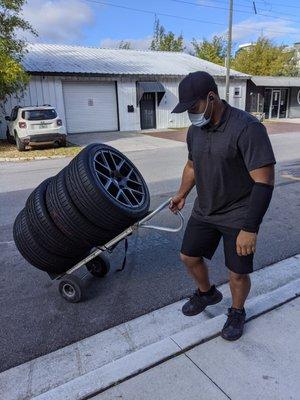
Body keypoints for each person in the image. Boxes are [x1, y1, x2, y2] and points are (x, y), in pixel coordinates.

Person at [169, 71, 276, 341]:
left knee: (237, 273)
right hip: (205, 208)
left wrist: (250, 228)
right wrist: (182, 193)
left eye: (194, 107)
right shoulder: (195, 131)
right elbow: (192, 166)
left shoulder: (247, 128)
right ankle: (207, 293)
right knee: (188, 256)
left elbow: (264, 182)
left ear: (212, 98)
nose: (191, 114)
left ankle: (237, 311)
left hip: (239, 213)